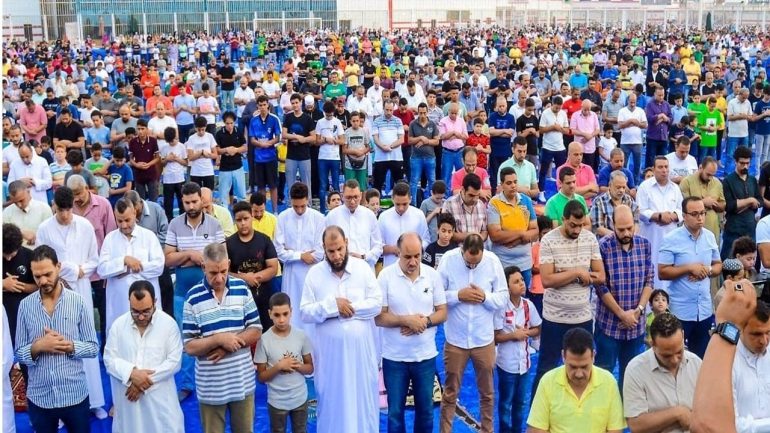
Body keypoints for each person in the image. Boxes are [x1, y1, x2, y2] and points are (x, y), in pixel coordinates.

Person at [300, 226, 383, 433]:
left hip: (361, 356)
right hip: (330, 358)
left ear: (346, 243)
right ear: (324, 248)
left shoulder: (363, 268)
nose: (336, 256)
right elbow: (305, 312)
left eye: (339, 249)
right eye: (331, 251)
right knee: (332, 402)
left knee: (362, 402)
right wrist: (332, 306)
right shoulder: (314, 274)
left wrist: (349, 308)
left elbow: (376, 304)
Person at [34, 187, 107, 418]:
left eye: (68, 210)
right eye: (61, 210)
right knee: (59, 343)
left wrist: (78, 271)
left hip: (81, 288)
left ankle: (94, 401)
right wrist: (61, 274)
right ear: (54, 207)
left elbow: (94, 260)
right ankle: (60, 409)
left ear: (73, 206)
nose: (65, 215)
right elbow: (40, 261)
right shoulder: (44, 229)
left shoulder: (85, 226)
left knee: (85, 338)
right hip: (53, 291)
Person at [15, 245, 99, 433]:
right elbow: (19, 353)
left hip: (74, 395)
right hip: (40, 398)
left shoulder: (77, 302)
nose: (43, 281)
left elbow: (93, 347)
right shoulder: (25, 306)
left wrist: (69, 346)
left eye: (48, 274)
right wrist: (38, 347)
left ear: (58, 267)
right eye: (37, 276)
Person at [183, 242, 262, 433]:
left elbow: (256, 329)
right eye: (213, 273)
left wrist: (226, 346)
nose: (219, 278)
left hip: (242, 384)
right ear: (203, 267)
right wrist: (218, 339)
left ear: (229, 264)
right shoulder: (192, 298)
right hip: (210, 389)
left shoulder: (242, 288)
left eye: (223, 271)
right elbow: (189, 346)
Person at [376, 232, 448, 433]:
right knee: (395, 413)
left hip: (424, 357)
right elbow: (379, 317)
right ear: (398, 253)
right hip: (394, 358)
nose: (413, 261)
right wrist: (405, 320)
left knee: (425, 412)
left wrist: (424, 322)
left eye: (417, 256)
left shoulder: (432, 275)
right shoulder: (385, 276)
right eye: (408, 257)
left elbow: (443, 312)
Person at [437, 233, 509, 433]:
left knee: (487, 393)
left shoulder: (492, 261)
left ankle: (487, 430)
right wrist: (458, 296)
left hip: (483, 339)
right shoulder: (448, 260)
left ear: (483, 253)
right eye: (468, 263)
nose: (472, 266)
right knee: (450, 392)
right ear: (462, 251)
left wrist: (484, 297)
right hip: (455, 339)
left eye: (476, 263)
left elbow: (503, 297)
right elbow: (436, 295)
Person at [164, 182, 226, 401]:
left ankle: (215, 380)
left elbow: (221, 259)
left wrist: (184, 258)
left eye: (194, 201)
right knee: (188, 341)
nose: (191, 206)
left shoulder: (215, 225)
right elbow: (168, 259)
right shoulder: (174, 224)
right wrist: (191, 254)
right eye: (187, 202)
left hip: (210, 293)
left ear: (201, 200)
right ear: (182, 201)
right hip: (183, 293)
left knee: (213, 335)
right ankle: (188, 383)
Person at [103, 280, 184, 433]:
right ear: (129, 302)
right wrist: (131, 373)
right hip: (129, 406)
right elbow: (109, 359)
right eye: (135, 311)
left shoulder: (168, 325)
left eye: (146, 311)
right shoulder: (118, 326)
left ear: (155, 302)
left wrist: (141, 382)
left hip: (160, 404)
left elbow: (174, 362)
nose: (141, 317)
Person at [595, 205, 653, 389]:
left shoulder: (644, 245)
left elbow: (649, 280)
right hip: (609, 326)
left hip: (636, 325)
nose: (626, 233)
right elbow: (600, 287)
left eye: (629, 228)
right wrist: (622, 314)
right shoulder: (603, 247)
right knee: (603, 376)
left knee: (631, 378)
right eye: (621, 229)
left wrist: (638, 311)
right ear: (612, 225)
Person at [527, 328, 626, 433]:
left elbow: (615, 430)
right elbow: (536, 429)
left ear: (593, 356)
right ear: (563, 356)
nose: (579, 374)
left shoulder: (608, 382)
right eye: (573, 367)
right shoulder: (548, 381)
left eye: (584, 367)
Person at [659, 197, 723, 359]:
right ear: (684, 216)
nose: (700, 218)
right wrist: (688, 268)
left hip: (704, 309)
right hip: (680, 311)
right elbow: (662, 272)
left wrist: (707, 270)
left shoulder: (709, 236)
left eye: (702, 213)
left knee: (701, 359)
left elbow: (718, 265)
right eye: (694, 214)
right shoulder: (671, 239)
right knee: (676, 357)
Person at [623, 313, 701, 433]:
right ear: (652, 344)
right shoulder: (635, 370)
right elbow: (636, 425)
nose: (675, 360)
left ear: (683, 336)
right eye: (667, 356)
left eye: (679, 352)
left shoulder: (696, 364)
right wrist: (677, 413)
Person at [97, 198, 164, 333]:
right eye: (119, 221)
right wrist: (123, 261)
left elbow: (159, 266)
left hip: (146, 303)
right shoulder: (110, 239)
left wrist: (133, 267)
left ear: (135, 213)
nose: (123, 225)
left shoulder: (149, 236)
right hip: (119, 305)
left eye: (127, 220)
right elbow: (102, 270)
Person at [255, 292, 314, 433]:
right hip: (277, 402)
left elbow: (310, 368)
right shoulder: (264, 340)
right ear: (269, 314)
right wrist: (279, 367)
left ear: (291, 312)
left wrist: (296, 365)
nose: (281, 320)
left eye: (285, 314)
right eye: (277, 315)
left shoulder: (301, 336)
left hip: (300, 399)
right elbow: (261, 377)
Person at [494, 265, 542, 433]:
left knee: (520, 403)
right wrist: (513, 335)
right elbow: (494, 337)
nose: (522, 283)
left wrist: (526, 333)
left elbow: (538, 328)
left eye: (522, 279)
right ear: (507, 287)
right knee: (505, 403)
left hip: (524, 364)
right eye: (516, 281)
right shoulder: (501, 308)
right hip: (506, 364)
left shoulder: (528, 305)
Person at [227, 200, 280, 330]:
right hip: (239, 300)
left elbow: (273, 267)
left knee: (267, 333)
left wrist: (253, 277)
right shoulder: (228, 244)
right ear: (234, 221)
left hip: (264, 297)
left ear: (251, 217)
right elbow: (225, 272)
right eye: (239, 220)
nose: (243, 223)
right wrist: (244, 278)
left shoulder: (264, 240)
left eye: (246, 218)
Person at [637, 156, 684, 289]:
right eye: (660, 167)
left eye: (666, 167)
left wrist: (673, 216)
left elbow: (682, 210)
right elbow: (640, 211)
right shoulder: (644, 187)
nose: (664, 170)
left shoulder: (675, 188)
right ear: (653, 169)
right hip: (651, 237)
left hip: (671, 237)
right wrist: (658, 216)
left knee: (670, 267)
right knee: (652, 268)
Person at [487, 167, 538, 285]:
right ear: (502, 185)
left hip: (525, 263)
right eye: (509, 183)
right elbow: (495, 235)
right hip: (503, 263)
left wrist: (517, 238)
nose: (513, 186)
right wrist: (521, 233)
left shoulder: (526, 200)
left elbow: (535, 232)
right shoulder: (494, 203)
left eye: (515, 182)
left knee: (524, 294)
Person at [325, 179, 383, 268]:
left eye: (356, 197)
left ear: (361, 195)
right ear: (342, 196)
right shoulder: (332, 216)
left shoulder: (369, 215)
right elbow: (325, 245)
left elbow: (378, 246)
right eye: (349, 197)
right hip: (339, 269)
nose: (352, 201)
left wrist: (364, 257)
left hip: (365, 268)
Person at [731, 300, 770, 432]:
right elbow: (732, 423)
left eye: (768, 333)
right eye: (757, 334)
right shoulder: (729, 362)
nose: (764, 341)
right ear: (740, 329)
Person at [722, 146, 762, 259]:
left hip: (750, 228)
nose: (745, 166)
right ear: (735, 162)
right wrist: (750, 201)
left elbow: (760, 200)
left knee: (750, 262)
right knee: (729, 261)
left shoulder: (752, 180)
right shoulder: (728, 181)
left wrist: (743, 203)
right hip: (734, 228)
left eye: (747, 163)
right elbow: (729, 206)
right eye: (742, 163)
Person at [378, 182, 431, 267]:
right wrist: (393, 249)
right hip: (390, 267)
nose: (401, 208)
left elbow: (426, 240)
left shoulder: (419, 215)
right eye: (397, 204)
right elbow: (377, 245)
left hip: (414, 267)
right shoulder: (383, 217)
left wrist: (412, 249)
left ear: (410, 199)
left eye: (404, 204)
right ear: (392, 199)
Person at [679, 157, 726, 243]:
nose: (710, 178)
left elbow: (723, 206)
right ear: (701, 168)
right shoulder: (686, 182)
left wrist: (714, 203)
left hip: (712, 231)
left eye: (713, 175)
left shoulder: (717, 183)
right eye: (708, 174)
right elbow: (682, 206)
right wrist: (703, 202)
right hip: (692, 233)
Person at [249, 95, 282, 211]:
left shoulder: (274, 119)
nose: (262, 107)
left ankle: (275, 211)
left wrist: (269, 143)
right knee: (261, 187)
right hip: (258, 158)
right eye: (260, 105)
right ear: (257, 106)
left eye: (264, 105)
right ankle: (262, 211)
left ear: (268, 105)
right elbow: (252, 139)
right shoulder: (253, 120)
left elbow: (278, 137)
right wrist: (260, 144)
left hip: (271, 157)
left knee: (273, 186)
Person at [3, 180, 53, 247]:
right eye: (15, 202)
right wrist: (20, 232)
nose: (19, 205)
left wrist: (37, 238)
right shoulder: (7, 212)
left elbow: (50, 234)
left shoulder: (44, 209)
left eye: (21, 200)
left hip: (39, 250)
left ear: (28, 192)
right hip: (15, 251)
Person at [590, 170, 639, 238]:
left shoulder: (629, 200)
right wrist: (619, 236)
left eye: (623, 187)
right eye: (618, 187)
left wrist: (631, 236)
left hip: (628, 239)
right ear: (610, 185)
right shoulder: (599, 202)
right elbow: (598, 228)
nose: (621, 190)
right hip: (606, 241)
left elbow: (636, 222)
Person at [442, 173, 489, 242]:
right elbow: (445, 233)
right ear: (463, 189)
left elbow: (484, 231)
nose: (475, 199)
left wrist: (478, 240)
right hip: (457, 247)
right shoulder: (449, 204)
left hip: (478, 247)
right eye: (471, 195)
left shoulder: (481, 205)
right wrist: (471, 236)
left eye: (478, 195)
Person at [215, 111, 247, 205]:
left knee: (241, 194)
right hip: (225, 168)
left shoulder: (238, 131)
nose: (229, 125)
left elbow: (245, 147)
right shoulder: (219, 134)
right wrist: (226, 150)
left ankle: (242, 211)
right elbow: (217, 150)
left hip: (238, 166)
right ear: (224, 123)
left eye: (231, 123)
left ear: (234, 122)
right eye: (227, 123)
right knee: (223, 196)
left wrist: (236, 150)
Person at [497, 137, 540, 202]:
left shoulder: (530, 166)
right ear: (513, 150)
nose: (522, 154)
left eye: (524, 151)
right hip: (508, 204)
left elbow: (536, 191)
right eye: (519, 151)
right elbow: (500, 191)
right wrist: (521, 189)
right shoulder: (504, 166)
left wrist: (526, 192)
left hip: (526, 204)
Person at [128, 118, 161, 201]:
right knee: (140, 201)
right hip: (138, 174)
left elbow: (157, 158)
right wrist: (136, 165)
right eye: (138, 129)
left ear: (147, 129)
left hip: (151, 174)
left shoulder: (153, 141)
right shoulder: (132, 142)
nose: (140, 131)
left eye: (142, 129)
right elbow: (131, 158)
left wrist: (148, 164)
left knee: (153, 200)